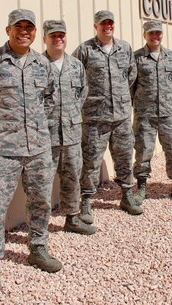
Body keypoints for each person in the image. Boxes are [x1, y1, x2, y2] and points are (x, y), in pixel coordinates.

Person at [0, 9, 62, 297]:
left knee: (41, 201)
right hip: (3, 150)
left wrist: (36, 127)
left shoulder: (41, 65)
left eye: (29, 27)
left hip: (38, 149)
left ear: (35, 32)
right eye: (18, 26)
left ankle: (38, 247)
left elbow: (50, 99)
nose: (24, 31)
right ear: (8, 30)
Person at [73, 10, 143, 222]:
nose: (107, 26)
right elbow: (76, 79)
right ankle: (85, 202)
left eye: (110, 23)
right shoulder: (85, 50)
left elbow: (131, 75)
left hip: (121, 116)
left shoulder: (125, 48)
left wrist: (119, 97)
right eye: (103, 23)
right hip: (95, 118)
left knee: (124, 157)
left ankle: (127, 196)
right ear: (96, 26)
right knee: (91, 160)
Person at [43, 20, 97, 235]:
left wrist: (71, 116)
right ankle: (38, 228)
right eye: (53, 35)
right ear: (44, 38)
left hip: (72, 133)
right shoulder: (37, 65)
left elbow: (82, 94)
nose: (58, 39)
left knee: (73, 176)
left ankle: (72, 218)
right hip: (45, 136)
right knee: (40, 183)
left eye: (61, 35)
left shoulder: (76, 65)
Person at [131, 20, 172, 205]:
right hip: (145, 115)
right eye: (151, 33)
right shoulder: (136, 58)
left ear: (162, 34)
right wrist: (143, 104)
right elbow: (131, 86)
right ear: (145, 35)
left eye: (158, 33)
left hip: (168, 114)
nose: (155, 36)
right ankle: (142, 186)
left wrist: (165, 101)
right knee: (143, 151)